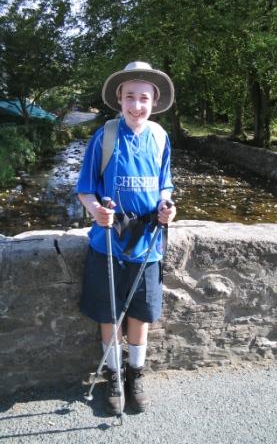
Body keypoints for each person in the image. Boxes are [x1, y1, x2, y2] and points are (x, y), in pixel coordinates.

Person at [76, 61, 176, 415]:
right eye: (130, 97)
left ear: (154, 100)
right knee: (110, 314)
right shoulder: (104, 137)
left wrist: (167, 205)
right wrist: (96, 211)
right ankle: (114, 375)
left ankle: (136, 373)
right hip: (108, 243)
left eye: (143, 98)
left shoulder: (161, 136)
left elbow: (165, 183)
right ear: (119, 99)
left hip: (148, 244)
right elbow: (85, 190)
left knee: (140, 316)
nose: (137, 105)